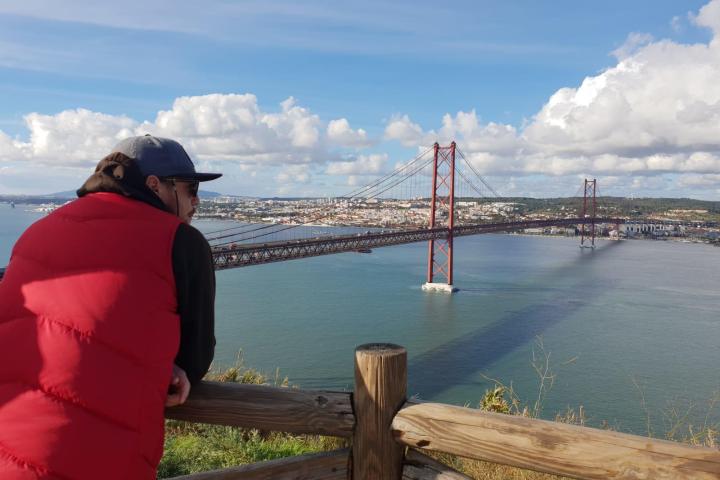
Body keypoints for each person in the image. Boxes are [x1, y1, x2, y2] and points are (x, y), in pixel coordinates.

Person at [0, 135, 220, 479]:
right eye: (189, 188)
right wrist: (177, 368)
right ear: (154, 185)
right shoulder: (182, 242)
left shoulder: (37, 231)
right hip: (100, 460)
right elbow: (196, 359)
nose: (196, 200)